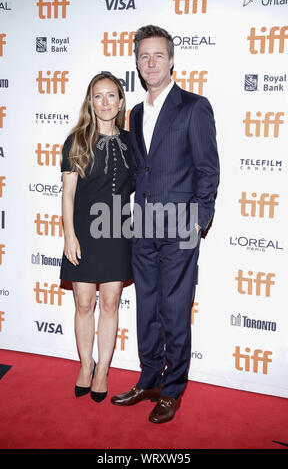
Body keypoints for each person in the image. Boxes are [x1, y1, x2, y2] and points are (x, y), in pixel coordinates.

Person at [111, 25, 220, 423]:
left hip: (180, 227)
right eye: (144, 56)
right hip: (142, 226)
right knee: (146, 308)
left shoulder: (194, 106)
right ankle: (149, 379)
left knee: (175, 310)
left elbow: (208, 169)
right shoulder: (135, 113)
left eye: (158, 55)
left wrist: (199, 220)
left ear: (171, 60)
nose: (151, 63)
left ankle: (172, 389)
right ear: (137, 63)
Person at [60, 72, 133, 403]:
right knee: (84, 303)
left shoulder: (133, 142)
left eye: (111, 96)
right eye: (98, 96)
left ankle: (103, 369)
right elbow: (68, 195)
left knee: (110, 302)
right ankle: (85, 366)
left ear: (120, 101)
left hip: (117, 231)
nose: (105, 102)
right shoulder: (77, 140)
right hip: (84, 234)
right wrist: (69, 236)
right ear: (90, 101)